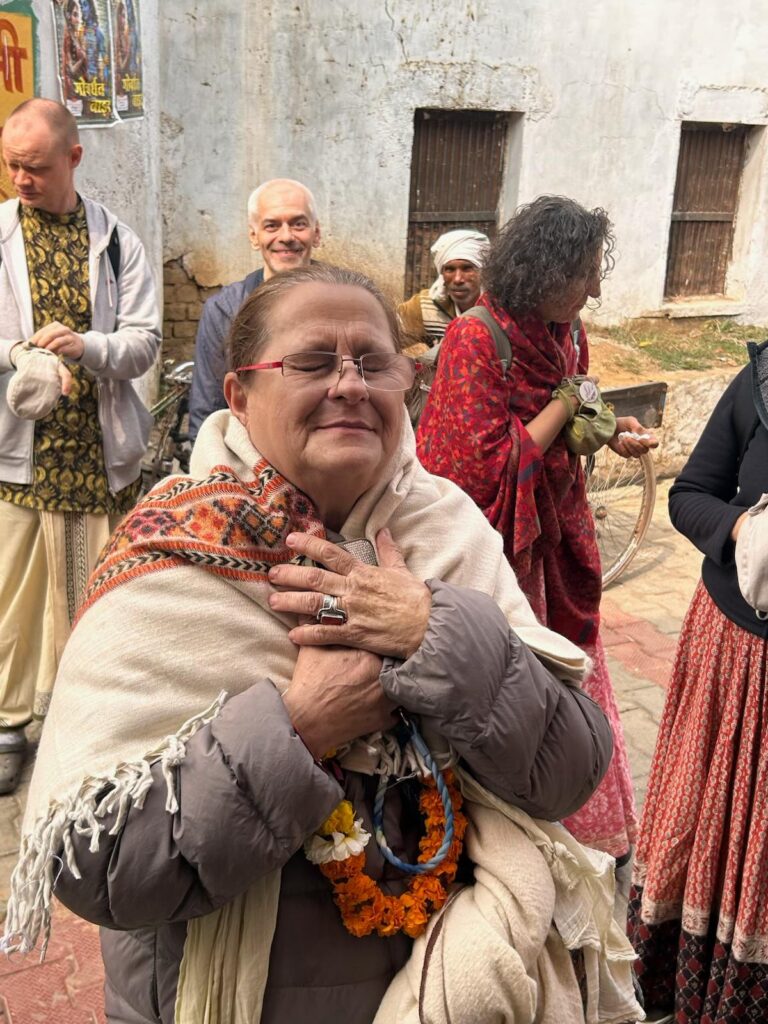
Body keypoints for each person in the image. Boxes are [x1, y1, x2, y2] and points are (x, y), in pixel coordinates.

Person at [3, 265, 643, 1024]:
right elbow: (98, 867)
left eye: (375, 362)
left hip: (454, 978)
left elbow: (570, 770)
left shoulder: (449, 531)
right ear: (239, 395)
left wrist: (433, 632)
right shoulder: (169, 553)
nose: (350, 384)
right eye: (311, 362)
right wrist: (303, 725)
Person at [416, 195, 657, 860]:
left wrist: (614, 433)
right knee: (510, 681)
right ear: (545, 273)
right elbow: (480, 465)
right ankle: (506, 829)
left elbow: (580, 403)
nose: (595, 289)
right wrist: (563, 402)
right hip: (500, 549)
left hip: (557, 534)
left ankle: (576, 820)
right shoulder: (476, 337)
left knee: (570, 674)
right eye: (584, 275)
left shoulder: (564, 331)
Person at [0, 98, 160, 794]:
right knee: (11, 599)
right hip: (18, 454)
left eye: (34, 167)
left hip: (98, 457)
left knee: (97, 598)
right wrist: (20, 354)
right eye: (10, 165)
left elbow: (145, 340)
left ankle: (87, 720)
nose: (20, 179)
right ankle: (7, 726)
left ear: (73, 158)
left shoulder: (119, 242)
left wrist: (87, 346)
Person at [627, 345, 768, 1020]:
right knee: (714, 833)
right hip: (737, 660)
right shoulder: (761, 383)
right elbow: (690, 495)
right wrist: (744, 528)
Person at [188, 178, 321, 439]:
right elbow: (207, 413)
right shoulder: (225, 311)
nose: (286, 237)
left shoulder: (344, 304)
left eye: (299, 224)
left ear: (316, 233)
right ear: (254, 236)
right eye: (272, 225)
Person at [398, 228, 488, 349]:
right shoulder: (423, 307)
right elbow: (387, 341)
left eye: (467, 269)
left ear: (482, 271)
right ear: (442, 273)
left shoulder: (498, 309)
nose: (457, 279)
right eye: (450, 269)